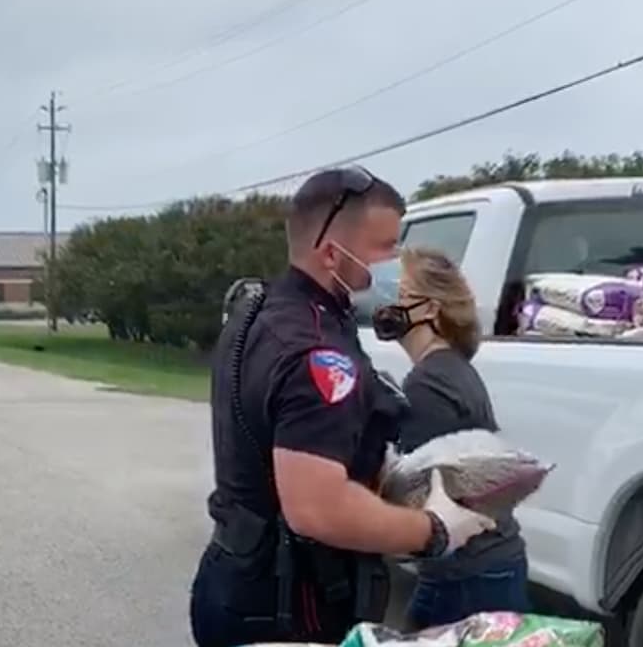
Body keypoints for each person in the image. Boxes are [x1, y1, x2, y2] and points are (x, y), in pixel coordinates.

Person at [189, 166, 497, 647]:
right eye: (385, 248)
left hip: (238, 572)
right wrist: (433, 529)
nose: (395, 262)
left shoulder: (264, 312)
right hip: (290, 605)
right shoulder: (316, 351)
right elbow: (318, 508)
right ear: (332, 253)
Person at [369, 246, 531, 629]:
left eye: (401, 294)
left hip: (466, 575)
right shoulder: (451, 369)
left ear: (430, 309)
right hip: (488, 566)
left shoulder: (428, 383)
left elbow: (417, 492)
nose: (388, 304)